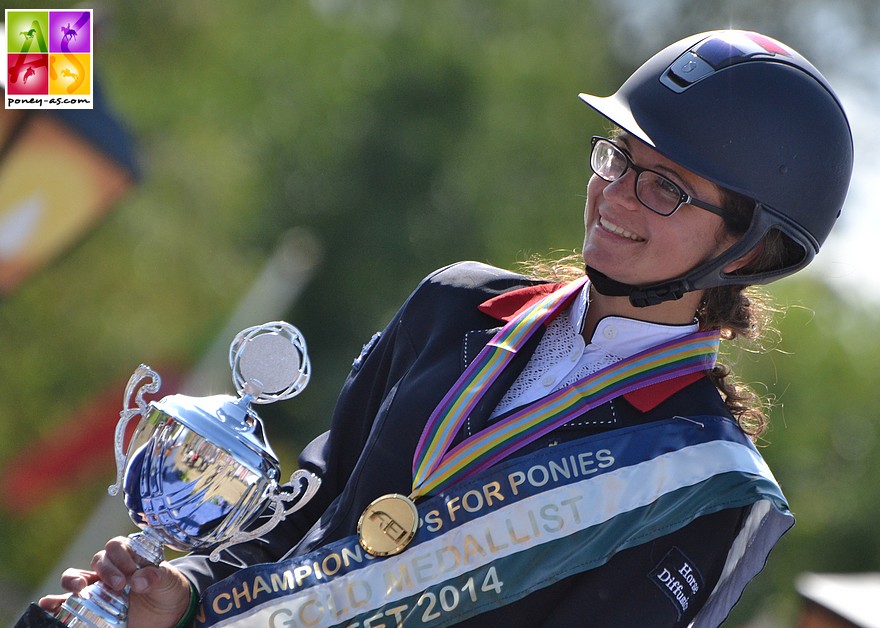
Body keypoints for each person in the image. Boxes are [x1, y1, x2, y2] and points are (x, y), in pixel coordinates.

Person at [37, 29, 853, 627]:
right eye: (618, 158)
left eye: (666, 188)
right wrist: (183, 595)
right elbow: (306, 509)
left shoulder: (701, 486)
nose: (617, 195)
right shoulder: (453, 304)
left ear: (749, 250)